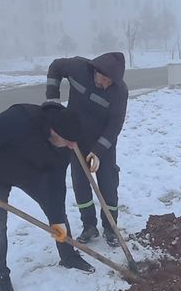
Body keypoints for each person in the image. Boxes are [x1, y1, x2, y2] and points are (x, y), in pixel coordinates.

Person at [0, 102, 95, 291]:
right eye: (67, 140)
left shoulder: (65, 147)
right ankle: (1, 277)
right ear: (54, 131)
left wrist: (56, 220)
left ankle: (68, 255)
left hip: (32, 175)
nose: (72, 146)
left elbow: (56, 186)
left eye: (74, 142)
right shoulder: (20, 118)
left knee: (56, 212)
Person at [45, 52, 128, 247]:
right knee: (80, 184)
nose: (106, 84)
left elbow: (115, 125)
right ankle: (89, 225)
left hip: (102, 144)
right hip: (76, 140)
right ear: (96, 71)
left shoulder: (119, 92)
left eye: (111, 82)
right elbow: (55, 66)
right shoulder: (77, 68)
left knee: (108, 184)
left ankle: (110, 227)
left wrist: (98, 151)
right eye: (105, 79)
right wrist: (53, 100)